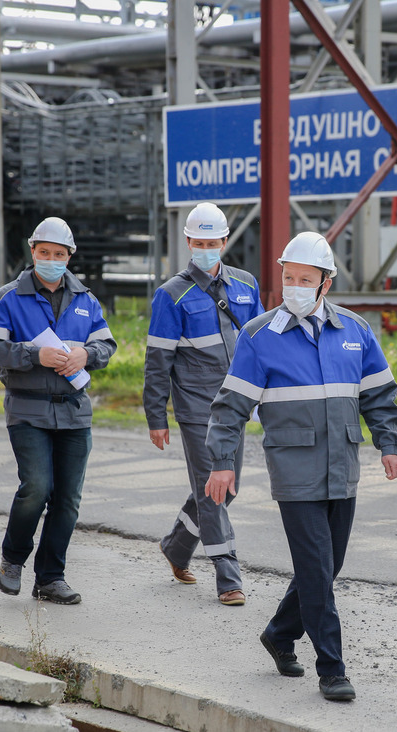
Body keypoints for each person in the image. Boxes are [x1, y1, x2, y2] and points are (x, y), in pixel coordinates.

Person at [204, 232, 397, 702]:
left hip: (343, 468)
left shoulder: (355, 331)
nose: (294, 285)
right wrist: (221, 463)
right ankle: (331, 668)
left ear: (325, 283)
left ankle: (279, 633)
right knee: (316, 570)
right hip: (294, 471)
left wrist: (389, 443)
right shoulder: (259, 336)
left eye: (304, 279)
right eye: (288, 276)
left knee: (326, 567)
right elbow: (230, 406)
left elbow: (378, 394)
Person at [0, 216, 117, 605]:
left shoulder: (85, 300)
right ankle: (12, 559)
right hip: (27, 410)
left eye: (59, 254)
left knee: (68, 499)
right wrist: (33, 354)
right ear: (32, 252)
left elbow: (107, 346)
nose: (51, 260)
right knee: (37, 487)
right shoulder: (8, 297)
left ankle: (50, 578)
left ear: (70, 256)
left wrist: (86, 354)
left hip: (74, 411)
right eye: (44, 253)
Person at [144, 202, 264, 606]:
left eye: (213, 242)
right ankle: (228, 577)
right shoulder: (171, 295)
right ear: (188, 242)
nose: (206, 248)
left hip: (236, 407)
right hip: (197, 408)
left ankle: (176, 548)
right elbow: (158, 361)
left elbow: (262, 346)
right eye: (199, 242)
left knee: (226, 489)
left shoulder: (247, 285)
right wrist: (156, 415)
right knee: (215, 488)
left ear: (225, 241)